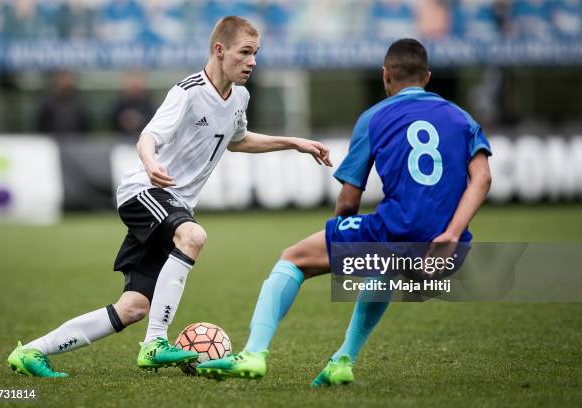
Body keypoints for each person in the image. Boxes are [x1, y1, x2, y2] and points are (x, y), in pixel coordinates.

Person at [7, 16, 332, 378]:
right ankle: (155, 343)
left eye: (255, 53)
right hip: (144, 192)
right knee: (192, 235)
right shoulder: (188, 91)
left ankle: (33, 351)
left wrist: (293, 142)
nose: (252, 61)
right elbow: (148, 136)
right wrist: (149, 163)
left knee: (132, 307)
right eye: (245, 52)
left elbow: (236, 140)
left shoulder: (240, 96)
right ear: (219, 50)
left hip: (172, 206)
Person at [197, 38, 492, 386]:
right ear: (427, 77)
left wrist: (339, 239)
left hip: (395, 232)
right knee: (384, 265)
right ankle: (342, 361)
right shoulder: (461, 117)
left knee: (292, 260)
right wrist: (452, 234)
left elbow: (349, 200)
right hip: (446, 251)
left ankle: (253, 354)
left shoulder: (375, 117)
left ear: (385, 76)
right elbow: (483, 178)